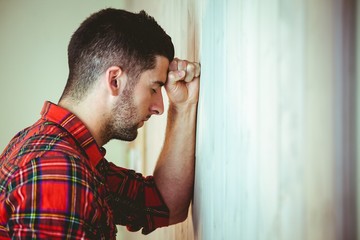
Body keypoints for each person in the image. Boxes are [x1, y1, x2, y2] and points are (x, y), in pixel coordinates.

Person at [0, 8, 200, 239]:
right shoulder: (57, 171)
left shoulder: (64, 153)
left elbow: (164, 204)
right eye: (154, 88)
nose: (159, 107)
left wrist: (183, 106)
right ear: (115, 80)